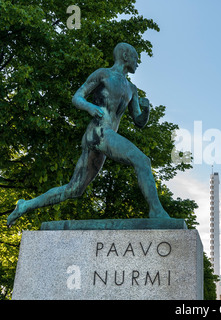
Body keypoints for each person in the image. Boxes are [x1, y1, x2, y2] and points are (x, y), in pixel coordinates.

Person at [7, 42, 170, 227]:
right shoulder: (104, 74)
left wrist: (146, 112)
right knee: (141, 160)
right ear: (125, 56)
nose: (138, 62)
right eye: (135, 57)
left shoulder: (132, 89)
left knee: (74, 189)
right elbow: (77, 96)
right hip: (98, 132)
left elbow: (139, 121)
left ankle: (25, 206)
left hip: (107, 135)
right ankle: (156, 210)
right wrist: (90, 107)